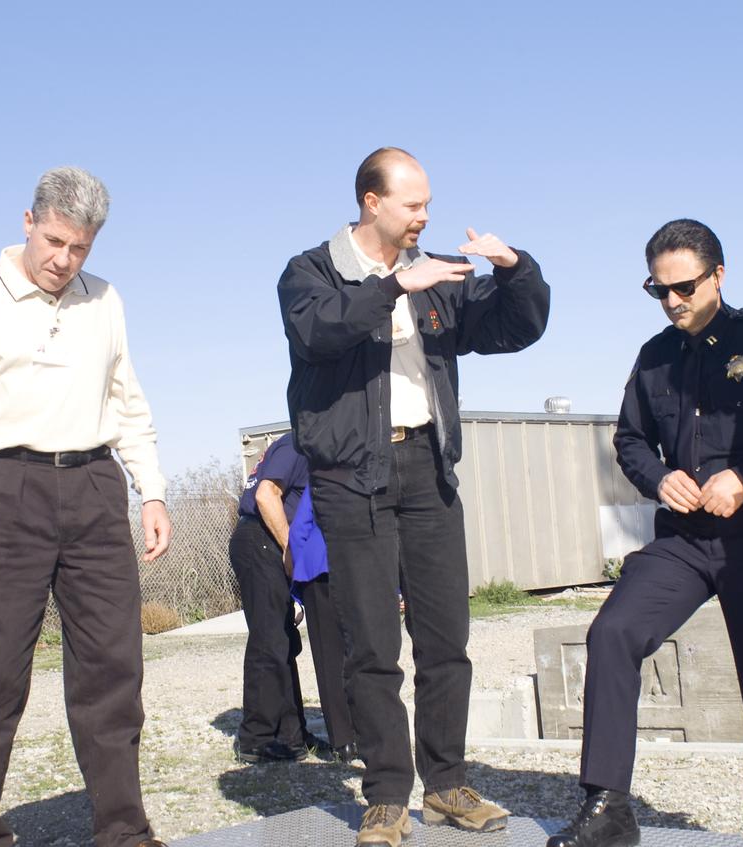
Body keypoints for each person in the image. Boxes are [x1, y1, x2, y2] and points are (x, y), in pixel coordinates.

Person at [276, 147, 550, 847]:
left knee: (445, 637)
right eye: (412, 204)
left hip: (428, 467)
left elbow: (513, 328)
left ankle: (448, 783)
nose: (425, 216)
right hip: (350, 475)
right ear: (372, 202)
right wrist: (396, 287)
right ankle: (387, 795)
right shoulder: (313, 271)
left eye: (427, 203)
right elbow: (317, 332)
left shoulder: (434, 278)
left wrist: (513, 268)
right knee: (371, 643)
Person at [546, 219, 743, 847]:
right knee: (613, 632)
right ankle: (607, 812)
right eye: (659, 290)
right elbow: (628, 439)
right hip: (682, 539)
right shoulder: (654, 357)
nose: (673, 301)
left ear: (718, 276)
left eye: (684, 287)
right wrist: (658, 478)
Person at [0, 167, 172, 847]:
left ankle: (123, 830)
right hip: (3, 491)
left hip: (94, 486)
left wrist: (152, 488)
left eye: (79, 248)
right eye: (54, 241)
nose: (63, 259)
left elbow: (128, 403)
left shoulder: (104, 301)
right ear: (29, 222)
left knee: (114, 670)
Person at [229, 431, 351, 764]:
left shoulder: (307, 445)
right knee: (269, 640)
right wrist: (290, 551)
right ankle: (255, 738)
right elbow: (266, 496)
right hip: (261, 539)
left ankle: (291, 736)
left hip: (267, 541)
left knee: (283, 640)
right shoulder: (298, 444)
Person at [287, 484, 358, 763]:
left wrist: (297, 582)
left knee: (329, 659)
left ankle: (343, 742)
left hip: (317, 567)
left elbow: (299, 529)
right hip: (360, 564)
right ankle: (369, 734)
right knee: (363, 654)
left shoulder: (319, 473)